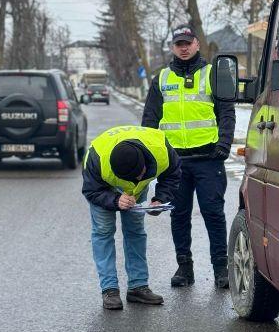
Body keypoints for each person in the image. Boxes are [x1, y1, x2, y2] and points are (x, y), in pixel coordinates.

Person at [142, 23, 236, 289]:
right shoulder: (162, 78)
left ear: (197, 44)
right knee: (179, 215)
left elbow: (227, 112)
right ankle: (184, 268)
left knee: (213, 214)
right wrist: (151, 154)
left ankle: (221, 269)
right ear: (173, 47)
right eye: (179, 44)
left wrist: (224, 143)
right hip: (175, 162)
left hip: (209, 158)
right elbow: (150, 120)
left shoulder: (213, 74)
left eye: (188, 43)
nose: (183, 48)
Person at [82, 125, 181, 310]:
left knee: (135, 231)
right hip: (103, 187)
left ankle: (138, 286)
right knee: (103, 232)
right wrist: (115, 200)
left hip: (139, 189)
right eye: (127, 178)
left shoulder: (161, 149)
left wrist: (160, 199)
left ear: (144, 162)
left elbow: (172, 174)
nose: (131, 182)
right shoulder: (97, 159)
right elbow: (91, 191)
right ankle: (110, 290)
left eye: (137, 175)